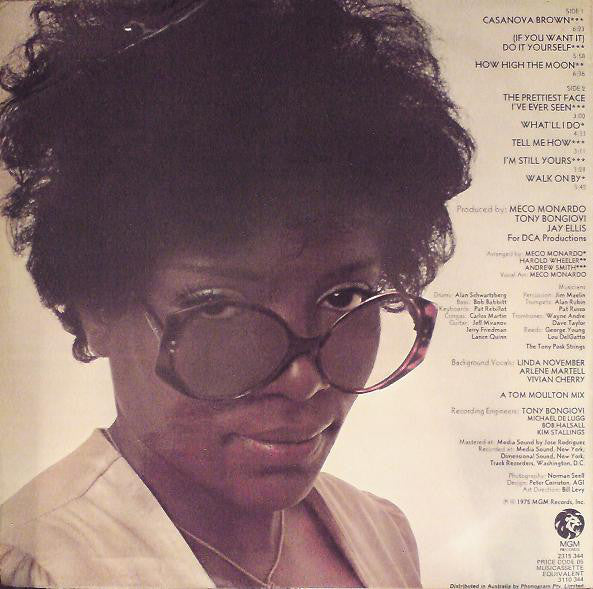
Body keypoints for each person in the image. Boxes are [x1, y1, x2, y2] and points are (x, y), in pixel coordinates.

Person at [0, 0, 473, 586]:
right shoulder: (41, 568)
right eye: (219, 307)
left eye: (345, 296)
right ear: (98, 309)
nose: (305, 381)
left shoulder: (382, 535)